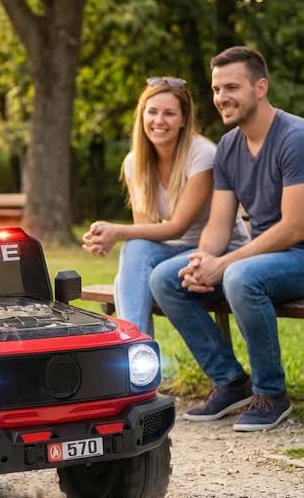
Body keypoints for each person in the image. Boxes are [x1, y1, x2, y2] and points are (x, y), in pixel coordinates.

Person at [150, 47, 304, 432]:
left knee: (240, 277)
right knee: (166, 278)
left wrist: (225, 264)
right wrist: (203, 261)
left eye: (231, 87)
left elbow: (293, 227)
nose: (221, 97)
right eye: (217, 89)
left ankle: (271, 394)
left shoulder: (295, 138)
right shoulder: (230, 145)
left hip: (298, 253)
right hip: (269, 255)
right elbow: (219, 225)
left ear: (261, 87)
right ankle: (231, 381)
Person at [82, 77, 247, 335]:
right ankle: (135, 346)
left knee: (134, 275)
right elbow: (144, 231)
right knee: (135, 249)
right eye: (152, 112)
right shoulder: (134, 162)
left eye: (169, 113)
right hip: (171, 253)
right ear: (142, 116)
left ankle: (132, 347)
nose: (159, 121)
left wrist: (117, 231)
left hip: (217, 250)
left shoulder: (202, 154)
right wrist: (110, 236)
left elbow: (177, 227)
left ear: (183, 120)